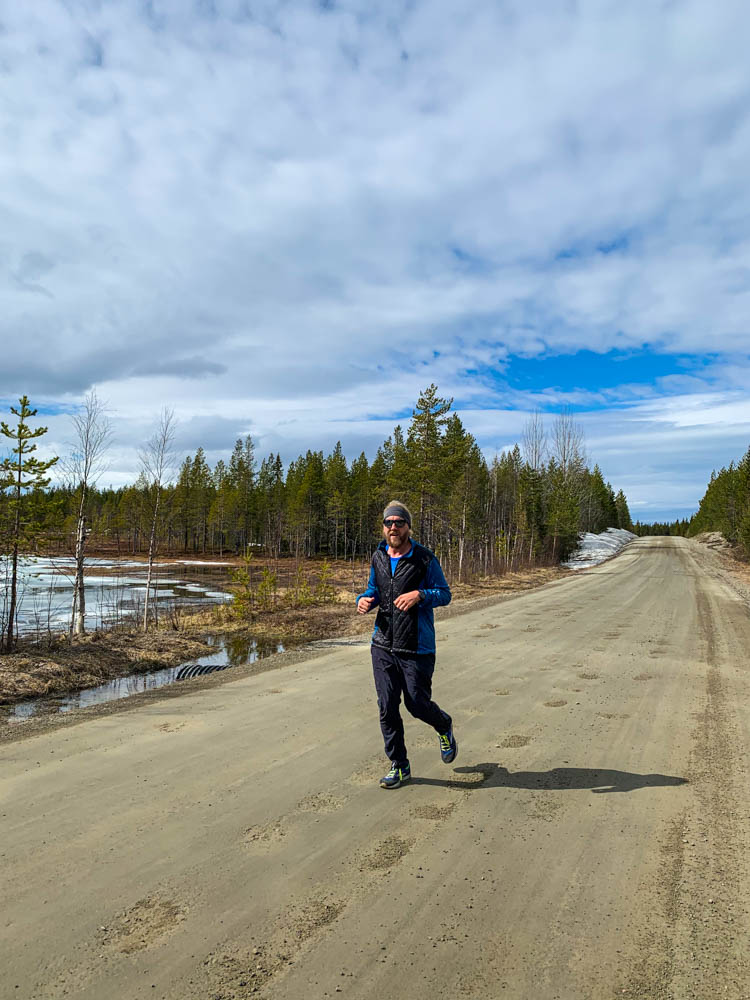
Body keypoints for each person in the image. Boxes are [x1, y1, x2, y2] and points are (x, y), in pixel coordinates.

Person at [356, 501, 456, 789]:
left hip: (417, 646)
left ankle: (443, 725)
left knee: (416, 703)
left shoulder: (424, 559)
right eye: (389, 523)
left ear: (408, 526)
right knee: (387, 706)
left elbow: (444, 594)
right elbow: (374, 589)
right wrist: (363, 600)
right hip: (383, 643)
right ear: (383, 527)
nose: (393, 527)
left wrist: (420, 595)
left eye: (399, 522)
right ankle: (399, 765)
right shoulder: (378, 556)